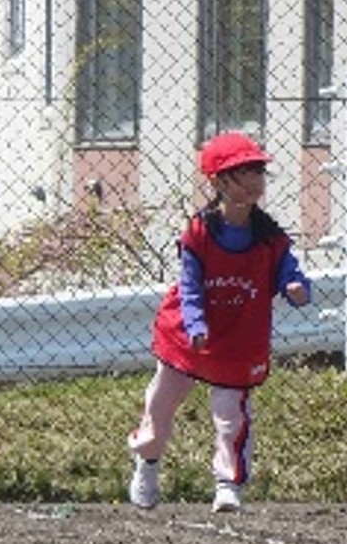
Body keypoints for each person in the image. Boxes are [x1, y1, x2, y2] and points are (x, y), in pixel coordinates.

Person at [128, 131, 312, 514]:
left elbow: (289, 273)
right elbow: (190, 286)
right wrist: (195, 325)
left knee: (231, 414)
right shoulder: (199, 232)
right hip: (188, 335)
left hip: (239, 336)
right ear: (217, 183)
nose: (251, 182)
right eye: (239, 174)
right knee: (161, 403)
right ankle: (147, 465)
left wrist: (296, 287)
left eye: (257, 172)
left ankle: (228, 484)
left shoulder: (270, 237)